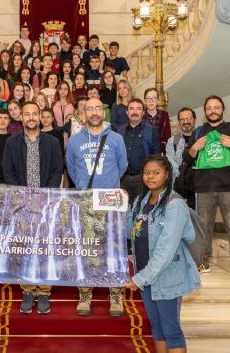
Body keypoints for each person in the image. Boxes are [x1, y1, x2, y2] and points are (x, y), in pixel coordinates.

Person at [125, 155, 201, 353]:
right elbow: (130, 233)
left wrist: (141, 278)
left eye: (156, 172)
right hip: (146, 273)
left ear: (167, 175)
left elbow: (166, 250)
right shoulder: (142, 201)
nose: (150, 177)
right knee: (157, 328)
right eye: (147, 172)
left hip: (166, 275)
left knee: (171, 330)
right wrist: (123, 205)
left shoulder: (175, 205)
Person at [66, 98, 128, 317]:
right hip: (86, 201)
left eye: (97, 108)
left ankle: (115, 295)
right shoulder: (74, 141)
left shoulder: (116, 138)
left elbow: (123, 166)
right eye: (89, 108)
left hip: (111, 201)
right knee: (87, 247)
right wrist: (86, 187)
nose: (93, 112)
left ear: (104, 112)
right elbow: (72, 169)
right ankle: (85, 294)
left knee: (114, 248)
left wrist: (107, 185)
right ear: (83, 113)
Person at [182, 95, 230, 280]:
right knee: (204, 228)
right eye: (209, 108)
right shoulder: (198, 133)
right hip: (204, 188)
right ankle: (202, 262)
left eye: (216, 107)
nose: (213, 111)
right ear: (205, 112)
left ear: (223, 109)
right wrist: (194, 148)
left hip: (229, 188)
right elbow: (187, 158)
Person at [2, 102, 63, 314]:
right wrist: (21, 196)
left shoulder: (53, 142)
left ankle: (44, 291)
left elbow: (57, 169)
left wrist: (47, 195)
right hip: (22, 205)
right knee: (25, 248)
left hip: (46, 203)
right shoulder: (12, 143)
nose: (30, 117)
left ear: (40, 116)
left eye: (34, 114)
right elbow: (7, 171)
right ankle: (28, 290)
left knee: (45, 249)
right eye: (26, 114)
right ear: (21, 118)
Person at [117, 99, 156, 207]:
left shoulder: (151, 130)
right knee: (122, 213)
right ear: (127, 112)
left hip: (143, 179)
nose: (135, 112)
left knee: (141, 212)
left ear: (143, 113)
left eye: (138, 109)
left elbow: (156, 157)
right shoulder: (119, 131)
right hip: (122, 180)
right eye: (131, 108)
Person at [166, 107, 197, 179]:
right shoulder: (172, 141)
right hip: (180, 183)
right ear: (179, 122)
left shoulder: (201, 139)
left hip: (199, 183)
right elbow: (171, 162)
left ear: (195, 120)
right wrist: (183, 176)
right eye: (182, 119)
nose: (186, 122)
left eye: (189, 118)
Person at [143, 88, 172, 154]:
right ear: (145, 101)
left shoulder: (164, 115)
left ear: (158, 100)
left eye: (154, 98)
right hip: (143, 152)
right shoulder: (141, 115)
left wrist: (161, 148)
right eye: (148, 98)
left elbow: (167, 136)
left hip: (159, 152)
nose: (151, 101)